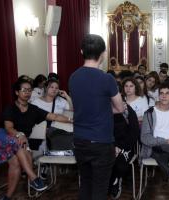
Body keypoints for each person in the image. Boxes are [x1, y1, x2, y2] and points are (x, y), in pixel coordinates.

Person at [69, 34, 125, 200]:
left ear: (81, 51)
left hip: (79, 140)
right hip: (101, 142)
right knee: (100, 189)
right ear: (103, 53)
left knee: (85, 184)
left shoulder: (73, 77)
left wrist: (98, 107)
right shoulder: (106, 79)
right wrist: (103, 108)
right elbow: (120, 108)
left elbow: (79, 105)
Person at [0, 78, 72, 200]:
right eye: (24, 90)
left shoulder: (33, 109)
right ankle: (33, 178)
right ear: (17, 92)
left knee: (16, 163)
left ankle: (7, 196)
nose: (27, 92)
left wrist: (71, 120)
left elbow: (53, 116)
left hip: (22, 143)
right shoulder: (10, 108)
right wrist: (19, 134)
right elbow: (8, 128)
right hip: (5, 138)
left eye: (29, 90)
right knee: (20, 145)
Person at [109, 104, 140, 199]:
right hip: (107, 145)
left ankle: (116, 180)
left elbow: (134, 132)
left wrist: (121, 147)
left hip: (126, 147)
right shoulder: (102, 107)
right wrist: (112, 146)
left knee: (119, 162)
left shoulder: (127, 110)